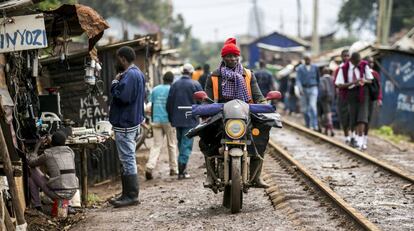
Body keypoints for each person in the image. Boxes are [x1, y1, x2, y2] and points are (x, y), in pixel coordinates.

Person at [205, 37, 269, 188]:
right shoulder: (214, 76)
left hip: (245, 116)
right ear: (223, 57)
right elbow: (207, 98)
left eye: (235, 56)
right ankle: (210, 175)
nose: (232, 59)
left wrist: (264, 104)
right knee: (205, 136)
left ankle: (256, 176)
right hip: (220, 116)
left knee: (262, 134)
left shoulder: (248, 74)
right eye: (229, 56)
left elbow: (258, 95)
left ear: (238, 57)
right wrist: (205, 107)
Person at [109, 46, 145, 207]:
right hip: (132, 122)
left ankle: (131, 195)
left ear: (123, 58)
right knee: (127, 158)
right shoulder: (137, 73)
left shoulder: (130, 75)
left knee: (127, 159)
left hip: (125, 124)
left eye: (118, 58)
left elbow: (123, 97)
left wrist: (115, 83)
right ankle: (127, 194)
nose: (117, 61)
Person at [166, 63, 203, 179]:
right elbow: (201, 102)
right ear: (191, 73)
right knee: (186, 145)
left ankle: (182, 167)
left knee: (181, 143)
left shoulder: (174, 85)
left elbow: (169, 103)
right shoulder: (195, 84)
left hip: (177, 120)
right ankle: (182, 170)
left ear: (182, 72)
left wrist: (171, 118)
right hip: (190, 119)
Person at [27, 131, 79, 212]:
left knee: (32, 170)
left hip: (57, 194)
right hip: (72, 192)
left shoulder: (48, 154)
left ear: (52, 141)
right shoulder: (70, 152)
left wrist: (37, 146)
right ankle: (68, 204)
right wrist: (51, 142)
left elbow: (31, 163)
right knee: (61, 177)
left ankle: (37, 205)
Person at [335, 52, 373, 150]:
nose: (358, 64)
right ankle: (354, 137)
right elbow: (339, 85)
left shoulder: (364, 65)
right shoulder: (343, 68)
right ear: (351, 60)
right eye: (356, 62)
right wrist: (353, 82)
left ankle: (360, 141)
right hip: (350, 93)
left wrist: (364, 81)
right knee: (353, 117)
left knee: (362, 117)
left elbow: (370, 80)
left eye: (359, 61)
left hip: (363, 93)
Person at [145, 72, 178, 180]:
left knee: (156, 145)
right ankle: (174, 169)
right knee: (172, 145)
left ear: (163, 79)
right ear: (172, 80)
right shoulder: (172, 89)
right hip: (168, 121)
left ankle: (149, 167)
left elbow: (152, 105)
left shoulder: (155, 89)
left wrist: (153, 119)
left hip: (156, 120)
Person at [363, 56, 383, 150]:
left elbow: (378, 87)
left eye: (372, 62)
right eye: (369, 62)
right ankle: (358, 137)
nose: (371, 64)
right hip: (361, 99)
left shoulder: (375, 74)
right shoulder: (361, 73)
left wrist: (379, 98)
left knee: (368, 119)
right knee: (361, 119)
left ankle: (365, 139)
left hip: (371, 99)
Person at [334, 49, 353, 145]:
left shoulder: (354, 68)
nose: (346, 58)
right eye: (344, 56)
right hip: (342, 96)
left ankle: (354, 136)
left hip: (353, 97)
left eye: (348, 56)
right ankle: (347, 137)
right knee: (344, 117)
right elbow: (336, 84)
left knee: (353, 116)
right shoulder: (339, 69)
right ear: (341, 57)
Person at [296, 56, 320, 130]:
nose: (308, 60)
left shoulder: (315, 67)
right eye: (306, 59)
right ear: (304, 60)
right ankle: (308, 123)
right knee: (305, 109)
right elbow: (298, 79)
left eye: (309, 59)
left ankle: (314, 124)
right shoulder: (300, 68)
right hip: (304, 89)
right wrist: (300, 88)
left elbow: (318, 78)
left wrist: (318, 88)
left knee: (312, 106)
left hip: (313, 88)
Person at [318, 67, 335, 136]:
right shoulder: (332, 78)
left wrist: (321, 97)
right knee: (328, 113)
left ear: (323, 72)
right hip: (332, 98)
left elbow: (323, 89)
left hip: (324, 98)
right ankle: (326, 130)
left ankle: (331, 129)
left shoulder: (322, 79)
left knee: (327, 114)